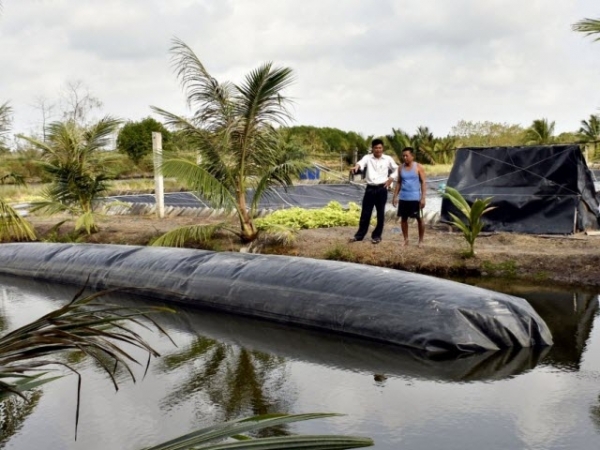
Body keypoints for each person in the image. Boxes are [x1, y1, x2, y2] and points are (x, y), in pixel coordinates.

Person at [349, 138, 398, 244]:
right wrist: (357, 166)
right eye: (376, 148)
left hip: (382, 189)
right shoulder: (368, 158)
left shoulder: (388, 159)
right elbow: (360, 163)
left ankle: (376, 236)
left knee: (380, 213)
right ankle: (359, 235)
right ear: (372, 149)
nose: (378, 150)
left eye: (380, 148)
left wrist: (391, 178)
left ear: (382, 148)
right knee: (365, 213)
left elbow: (397, 169)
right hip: (370, 189)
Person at [392, 147, 426, 247]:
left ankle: (421, 241)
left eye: (407, 155)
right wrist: (395, 196)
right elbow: (398, 182)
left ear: (412, 156)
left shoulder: (418, 167)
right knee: (403, 219)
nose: (405, 158)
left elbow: (423, 182)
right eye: (403, 156)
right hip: (403, 198)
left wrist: (423, 197)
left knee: (419, 219)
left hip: (415, 198)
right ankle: (406, 240)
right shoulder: (400, 168)